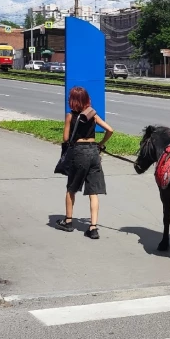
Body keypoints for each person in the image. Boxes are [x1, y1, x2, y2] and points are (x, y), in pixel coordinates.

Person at [57, 86, 113, 239]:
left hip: (79, 152)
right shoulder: (93, 114)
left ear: (73, 101)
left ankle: (68, 221)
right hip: (93, 152)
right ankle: (93, 228)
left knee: (71, 188)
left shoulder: (70, 116)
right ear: (87, 99)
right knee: (93, 191)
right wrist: (101, 143)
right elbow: (110, 130)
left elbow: (66, 139)